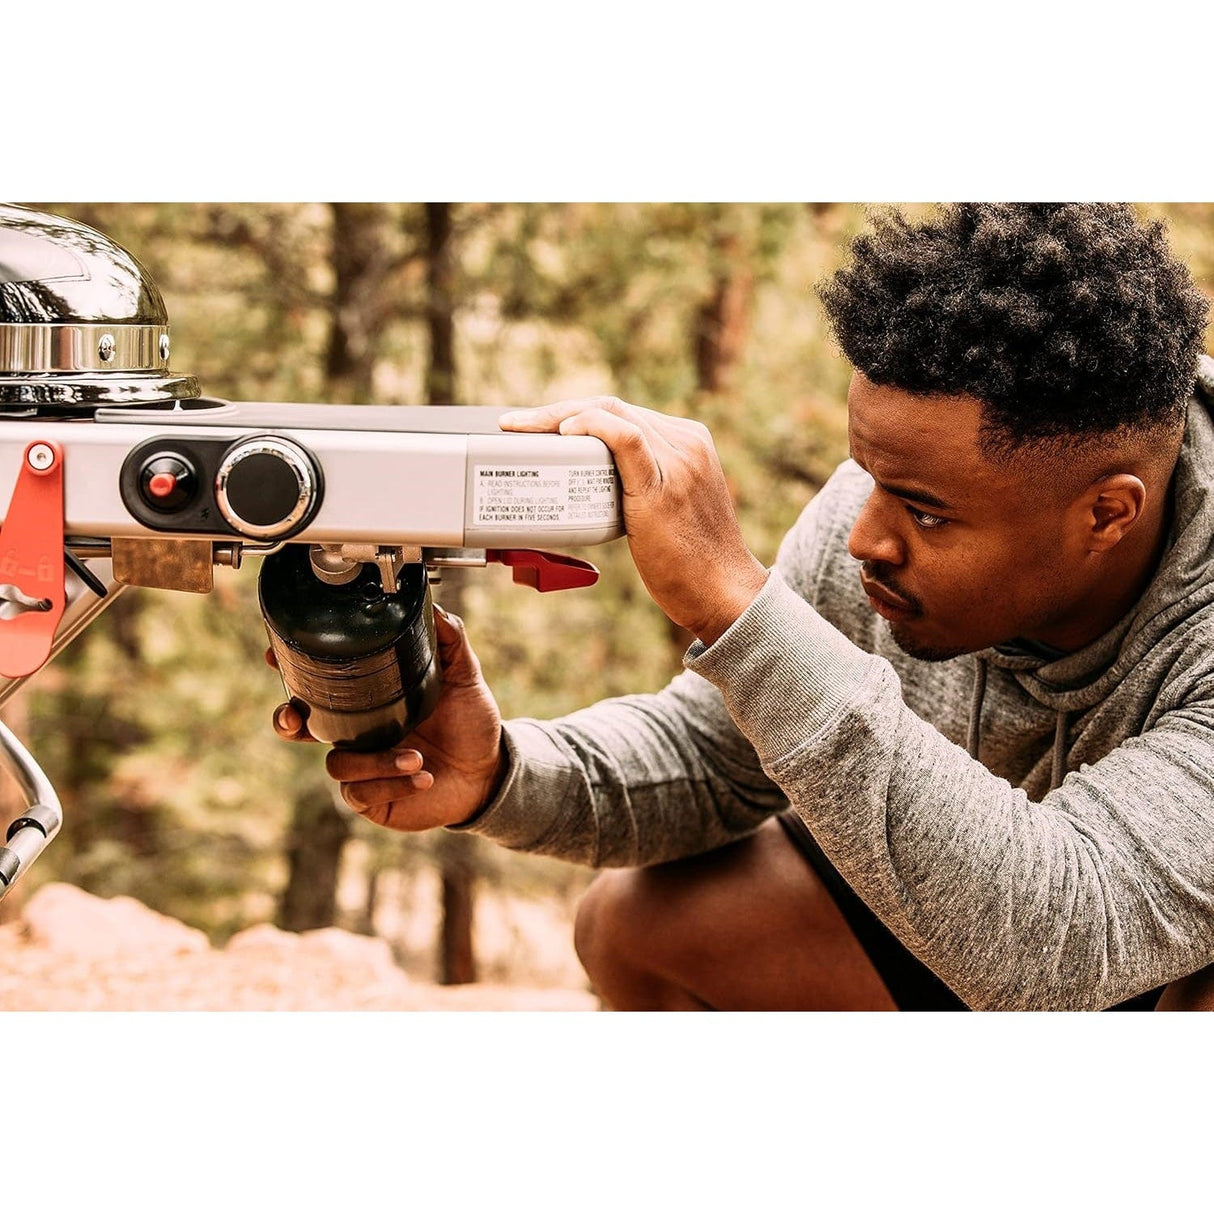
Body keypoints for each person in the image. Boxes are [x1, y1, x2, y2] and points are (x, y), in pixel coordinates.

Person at [274, 203, 1214, 1011]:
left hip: (1111, 957)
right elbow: (715, 760)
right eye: (868, 473)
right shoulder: (885, 514)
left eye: (925, 509)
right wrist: (501, 774)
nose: (864, 537)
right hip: (984, 945)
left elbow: (1067, 937)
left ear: (1107, 512)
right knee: (645, 924)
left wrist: (737, 605)